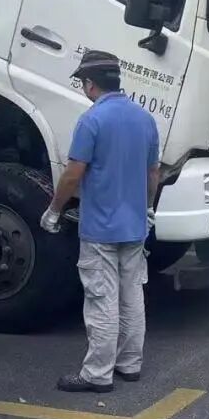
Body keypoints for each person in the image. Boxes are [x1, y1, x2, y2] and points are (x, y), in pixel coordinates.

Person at [40, 50, 160, 393]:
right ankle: (130, 364)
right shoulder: (145, 119)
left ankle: (97, 374)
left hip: (100, 230)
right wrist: (146, 208)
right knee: (132, 295)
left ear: (91, 84)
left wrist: (54, 210)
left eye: (83, 83)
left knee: (101, 299)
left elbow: (73, 173)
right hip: (135, 227)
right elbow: (153, 172)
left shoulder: (91, 120)